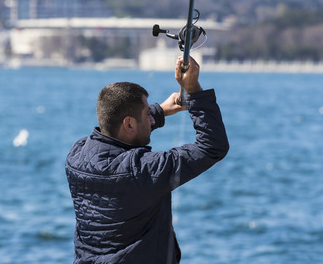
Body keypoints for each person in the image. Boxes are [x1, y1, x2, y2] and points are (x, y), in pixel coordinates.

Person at [66, 56, 229, 263]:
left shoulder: (76, 154)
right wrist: (194, 89)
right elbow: (212, 146)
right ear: (129, 124)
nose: (150, 118)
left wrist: (158, 111)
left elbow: (115, 129)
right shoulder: (143, 170)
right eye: (146, 115)